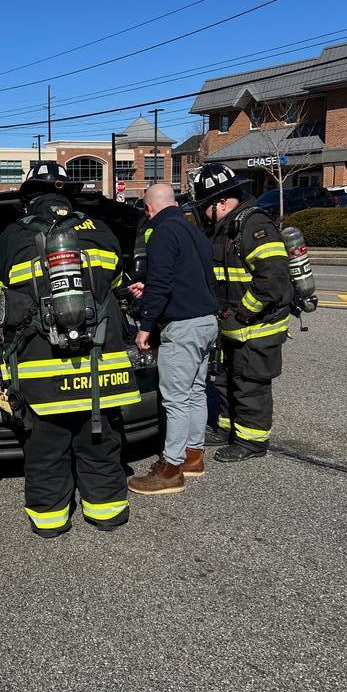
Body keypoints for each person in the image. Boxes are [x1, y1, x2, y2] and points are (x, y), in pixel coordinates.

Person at [0, 162, 140, 537]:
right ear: (70, 197)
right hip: (100, 370)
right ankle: (107, 513)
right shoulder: (101, 230)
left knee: (46, 449)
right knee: (100, 442)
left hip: (44, 374)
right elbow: (118, 284)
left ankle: (50, 520)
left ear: (28, 200)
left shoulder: (13, 236)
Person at [192, 164, 294, 463]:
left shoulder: (254, 226)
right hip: (233, 324)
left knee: (250, 383)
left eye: (205, 206)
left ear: (221, 202)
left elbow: (272, 279)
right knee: (226, 379)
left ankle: (251, 441)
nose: (202, 214)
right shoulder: (226, 227)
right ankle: (228, 428)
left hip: (257, 325)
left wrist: (243, 314)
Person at [126, 183, 218, 495]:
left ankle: (171, 470)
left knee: (175, 399)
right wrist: (149, 289)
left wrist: (146, 325)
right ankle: (194, 456)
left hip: (182, 327)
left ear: (149, 208)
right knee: (195, 392)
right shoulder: (194, 231)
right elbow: (196, 278)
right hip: (206, 322)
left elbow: (163, 281)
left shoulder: (161, 232)